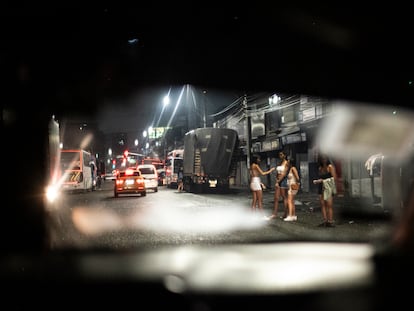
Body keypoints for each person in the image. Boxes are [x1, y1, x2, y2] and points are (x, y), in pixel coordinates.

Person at [313, 154, 337, 227]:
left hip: (328, 187)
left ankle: (330, 221)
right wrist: (318, 181)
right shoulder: (320, 168)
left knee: (329, 205)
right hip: (321, 187)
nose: (324, 160)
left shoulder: (330, 167)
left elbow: (334, 178)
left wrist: (322, 181)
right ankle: (325, 221)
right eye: (322, 159)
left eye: (325, 158)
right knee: (322, 204)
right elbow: (320, 178)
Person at [268, 151, 289, 220]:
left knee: (284, 197)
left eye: (281, 154)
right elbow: (278, 172)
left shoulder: (286, 163)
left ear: (284, 155)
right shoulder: (280, 162)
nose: (280, 156)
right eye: (279, 155)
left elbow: (284, 174)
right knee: (276, 198)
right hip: (278, 180)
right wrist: (277, 179)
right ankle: (274, 214)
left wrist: (278, 181)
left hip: (283, 181)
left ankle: (285, 214)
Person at [284, 157, 300, 221]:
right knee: (292, 201)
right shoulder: (290, 169)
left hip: (292, 186)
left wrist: (296, 184)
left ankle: (290, 215)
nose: (287, 162)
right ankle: (293, 215)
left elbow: (297, 177)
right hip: (291, 186)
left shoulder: (293, 168)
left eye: (288, 161)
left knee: (289, 201)